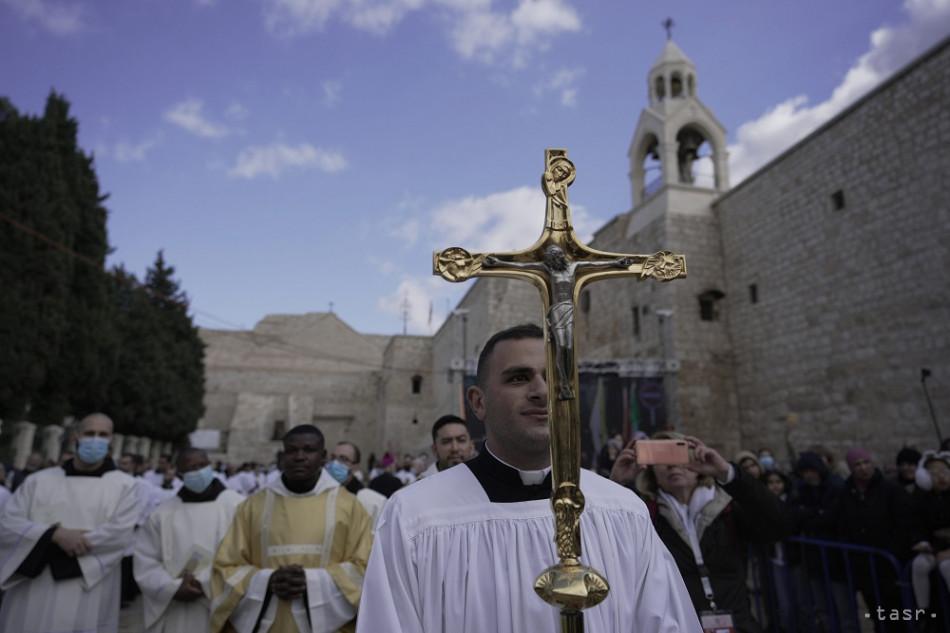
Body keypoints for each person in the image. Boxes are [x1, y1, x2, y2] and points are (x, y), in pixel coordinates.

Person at [356, 324, 701, 633]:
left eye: (552, 376)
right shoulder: (416, 517)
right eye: (519, 378)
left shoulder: (623, 511)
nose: (541, 391)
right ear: (478, 402)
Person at [611, 432, 788, 633]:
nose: (672, 465)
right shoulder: (645, 516)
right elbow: (611, 551)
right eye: (661, 457)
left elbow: (780, 524)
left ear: (696, 461)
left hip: (738, 623)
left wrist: (727, 473)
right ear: (651, 470)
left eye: (677, 454)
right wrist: (615, 486)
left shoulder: (727, 510)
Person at [211, 424, 373, 633]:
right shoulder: (252, 507)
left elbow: (366, 569)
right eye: (292, 450)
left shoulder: (349, 507)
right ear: (282, 456)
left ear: (323, 456)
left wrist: (312, 583)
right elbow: (225, 568)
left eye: (309, 450)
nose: (300, 456)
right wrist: (267, 582)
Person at [0, 413, 142, 633]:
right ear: (76, 436)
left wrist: (63, 541)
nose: (95, 440)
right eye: (89, 433)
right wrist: (54, 535)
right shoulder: (38, 481)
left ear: (111, 440)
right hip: (33, 583)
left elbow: (119, 535)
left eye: (103, 435)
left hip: (88, 586)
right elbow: (7, 524)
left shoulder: (126, 486)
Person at [134, 448, 244, 633]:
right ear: (179, 474)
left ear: (210, 466)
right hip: (176, 606)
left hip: (222, 606)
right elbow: (146, 560)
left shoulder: (238, 506)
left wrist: (205, 583)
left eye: (202, 465)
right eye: (191, 468)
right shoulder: (162, 514)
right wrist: (172, 588)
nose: (199, 471)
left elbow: (246, 556)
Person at [833, 447, 914, 632]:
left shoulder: (890, 489)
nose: (863, 468)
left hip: (889, 564)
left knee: (897, 614)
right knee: (877, 614)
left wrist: (893, 551)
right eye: (857, 464)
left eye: (866, 462)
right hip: (865, 566)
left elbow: (904, 523)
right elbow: (842, 523)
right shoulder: (847, 493)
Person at [909, 451, 950, 621]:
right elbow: (917, 526)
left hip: (946, 552)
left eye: (944, 471)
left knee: (947, 567)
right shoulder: (922, 500)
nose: (940, 477)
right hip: (935, 547)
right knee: (919, 565)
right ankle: (923, 612)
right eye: (933, 473)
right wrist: (922, 542)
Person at [327, 441, 388, 528]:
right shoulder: (320, 496)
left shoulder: (374, 502)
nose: (335, 463)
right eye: (333, 458)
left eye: (343, 459)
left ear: (355, 466)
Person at [417, 414, 475, 479]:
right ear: (434, 449)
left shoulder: (485, 479)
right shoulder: (420, 486)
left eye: (461, 440)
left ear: (471, 447)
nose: (455, 448)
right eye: (446, 442)